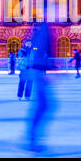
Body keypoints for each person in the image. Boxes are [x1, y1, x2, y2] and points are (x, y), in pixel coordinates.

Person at [26, 23, 55, 153]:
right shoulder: (44, 30)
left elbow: (44, 52)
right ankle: (32, 139)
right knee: (43, 105)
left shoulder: (44, 29)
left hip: (39, 71)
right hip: (38, 71)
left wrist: (51, 66)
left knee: (44, 105)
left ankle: (33, 138)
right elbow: (38, 51)